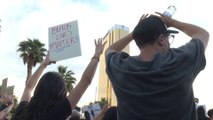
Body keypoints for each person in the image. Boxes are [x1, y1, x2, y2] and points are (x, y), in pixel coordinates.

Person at [105, 12, 209, 120]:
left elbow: (110, 50)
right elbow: (202, 34)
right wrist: (172, 22)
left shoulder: (120, 68)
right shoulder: (179, 61)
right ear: (161, 39)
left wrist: (135, 33)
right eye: (169, 38)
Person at [12, 38, 106, 120]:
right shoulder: (56, 113)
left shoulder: (23, 110)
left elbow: (28, 87)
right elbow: (85, 81)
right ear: (61, 93)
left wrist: (44, 64)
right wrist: (97, 54)